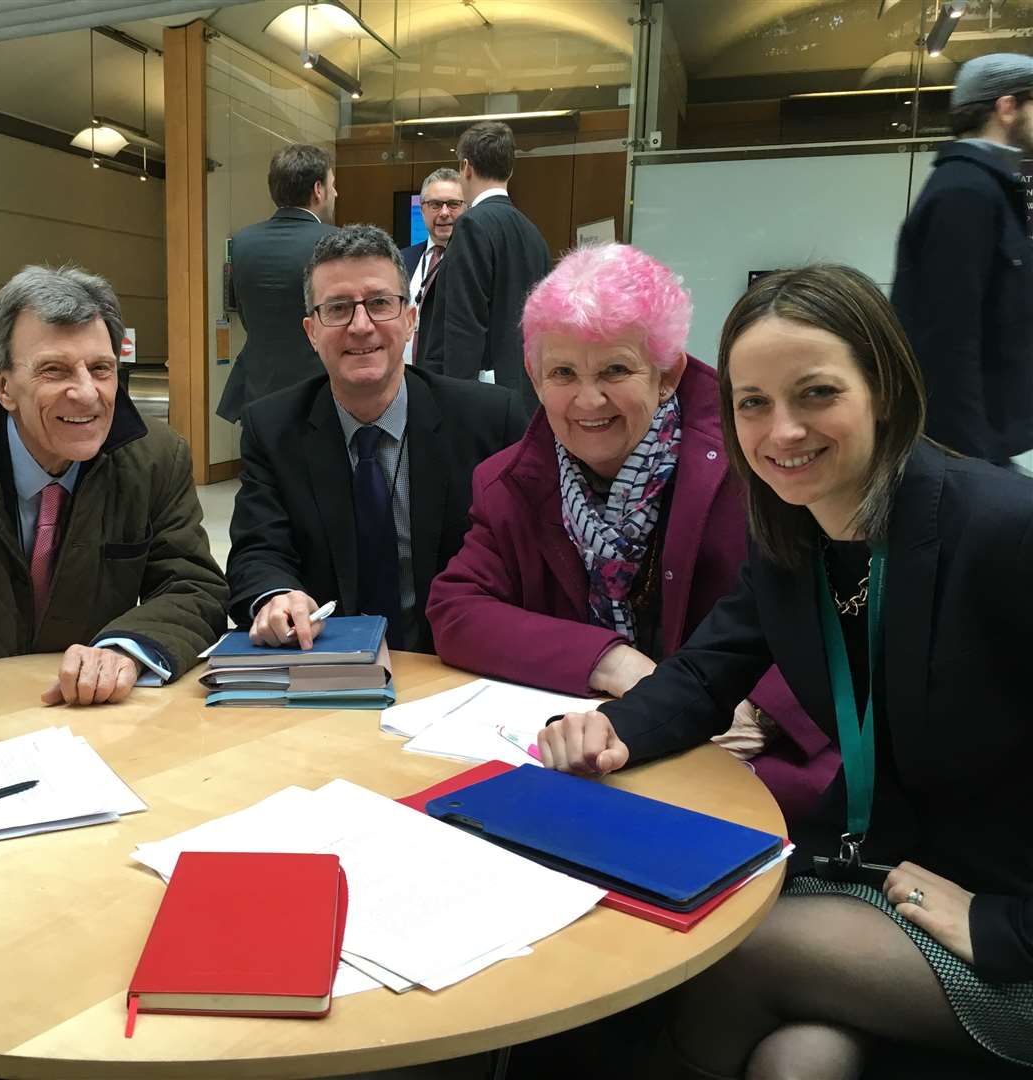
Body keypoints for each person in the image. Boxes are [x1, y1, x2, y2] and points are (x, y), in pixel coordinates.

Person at [539, 264, 1033, 1077]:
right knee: (797, 1063)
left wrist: (1006, 926)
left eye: (816, 394)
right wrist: (610, 733)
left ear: (884, 390)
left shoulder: (1003, 534)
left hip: (998, 919)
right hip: (885, 881)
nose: (783, 432)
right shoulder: (797, 538)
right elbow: (705, 672)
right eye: (753, 403)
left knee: (728, 949)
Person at [428, 245, 837, 823]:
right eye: (563, 373)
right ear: (535, 380)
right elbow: (456, 610)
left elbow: (833, 601)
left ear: (667, 374)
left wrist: (757, 707)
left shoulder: (758, 460)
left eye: (615, 370)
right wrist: (614, 663)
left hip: (749, 761)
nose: (588, 400)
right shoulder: (510, 481)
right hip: (601, 752)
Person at [0, 265, 227, 707]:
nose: (86, 393)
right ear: (3, 385)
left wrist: (125, 648)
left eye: (101, 369)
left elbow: (193, 585)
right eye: (54, 370)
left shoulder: (156, 458)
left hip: (93, 713)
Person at [227, 223, 526, 654]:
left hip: (456, 663)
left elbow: (523, 557)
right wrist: (276, 595)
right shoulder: (272, 428)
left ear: (409, 320)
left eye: (379, 303)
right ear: (312, 331)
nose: (360, 325)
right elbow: (258, 548)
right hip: (326, 661)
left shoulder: (489, 420)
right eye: (338, 308)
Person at [891, 53, 1033, 466]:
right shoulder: (965, 193)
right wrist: (973, 467)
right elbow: (947, 340)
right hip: (967, 453)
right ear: (1007, 107)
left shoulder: (988, 188)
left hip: (985, 446)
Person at [419, 120, 552, 413]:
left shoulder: (471, 225)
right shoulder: (533, 234)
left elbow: (464, 323)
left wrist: (452, 400)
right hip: (527, 390)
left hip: (481, 398)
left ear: (465, 167)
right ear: (510, 170)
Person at [215, 143, 340, 422]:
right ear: (318, 189)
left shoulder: (243, 242)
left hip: (257, 389)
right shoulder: (335, 242)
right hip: (317, 391)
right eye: (332, 185)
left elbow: (246, 315)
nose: (335, 193)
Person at [400, 167, 465, 365]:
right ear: (422, 210)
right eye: (435, 204)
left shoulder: (474, 264)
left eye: (453, 204)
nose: (444, 213)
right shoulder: (402, 259)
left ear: (466, 208)